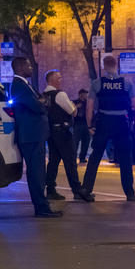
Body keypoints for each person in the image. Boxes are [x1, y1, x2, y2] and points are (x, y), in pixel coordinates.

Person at [81, 55, 135, 201]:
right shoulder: (127, 82)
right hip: (121, 122)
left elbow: (89, 107)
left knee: (95, 157)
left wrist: (89, 125)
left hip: (103, 122)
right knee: (125, 158)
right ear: (116, 66)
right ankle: (130, 193)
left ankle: (86, 189)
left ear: (103, 66)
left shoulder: (97, 83)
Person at [9, 57, 61, 218]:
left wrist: (42, 102)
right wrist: (43, 103)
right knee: (36, 173)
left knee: (38, 172)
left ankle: (42, 206)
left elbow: (42, 101)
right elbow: (39, 106)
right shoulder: (19, 86)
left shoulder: (25, 85)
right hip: (30, 135)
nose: (31, 67)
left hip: (34, 135)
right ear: (20, 67)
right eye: (28, 65)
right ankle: (41, 207)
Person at [42, 70, 93, 203]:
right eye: (59, 78)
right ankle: (77, 190)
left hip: (50, 131)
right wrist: (73, 106)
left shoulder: (43, 95)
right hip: (63, 131)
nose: (61, 80)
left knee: (53, 161)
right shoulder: (60, 94)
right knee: (70, 160)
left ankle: (51, 189)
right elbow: (73, 111)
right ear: (52, 80)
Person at [73, 88, 91, 162]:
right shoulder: (74, 102)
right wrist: (76, 107)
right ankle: (73, 158)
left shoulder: (88, 103)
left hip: (86, 124)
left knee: (86, 141)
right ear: (81, 94)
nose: (87, 95)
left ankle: (82, 157)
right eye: (85, 94)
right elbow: (70, 111)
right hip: (77, 124)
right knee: (75, 142)